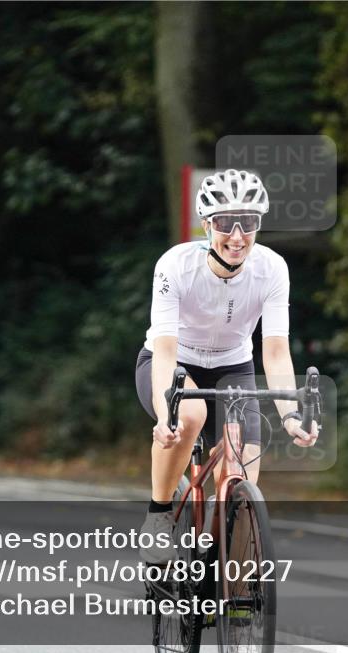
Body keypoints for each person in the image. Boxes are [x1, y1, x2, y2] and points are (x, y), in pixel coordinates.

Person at [135, 169, 319, 563]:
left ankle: (230, 587)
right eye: (224, 222)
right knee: (191, 413)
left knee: (241, 479)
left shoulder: (272, 269)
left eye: (248, 223)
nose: (237, 236)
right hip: (173, 362)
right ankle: (159, 514)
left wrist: (291, 415)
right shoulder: (175, 265)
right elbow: (165, 350)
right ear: (206, 224)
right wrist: (166, 414)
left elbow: (274, 352)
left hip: (233, 368)